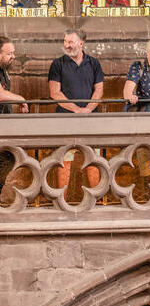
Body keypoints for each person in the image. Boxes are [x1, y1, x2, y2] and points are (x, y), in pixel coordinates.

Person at [48, 29, 103, 189]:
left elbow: (99, 90)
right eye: (65, 42)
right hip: (65, 119)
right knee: (64, 160)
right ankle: (62, 200)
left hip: (90, 119)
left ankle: (97, 201)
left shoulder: (94, 63)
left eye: (70, 42)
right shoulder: (57, 64)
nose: (67, 45)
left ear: (81, 43)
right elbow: (55, 93)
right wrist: (76, 110)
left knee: (93, 158)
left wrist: (88, 109)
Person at [0, 36, 29, 208]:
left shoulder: (4, 70)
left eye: (14, 53)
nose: (13, 56)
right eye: (9, 53)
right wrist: (21, 99)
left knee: (6, 160)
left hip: (5, 127)